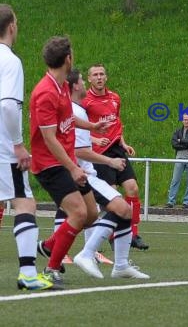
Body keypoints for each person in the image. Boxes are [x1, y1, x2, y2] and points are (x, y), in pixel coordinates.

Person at [30, 36, 106, 289]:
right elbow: (49, 139)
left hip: (67, 161)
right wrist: (73, 168)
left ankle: (50, 245)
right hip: (50, 165)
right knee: (79, 213)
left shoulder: (62, 85)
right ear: (67, 59)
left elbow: (68, 120)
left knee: (92, 214)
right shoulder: (45, 92)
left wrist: (92, 126)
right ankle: (51, 270)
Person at [68, 68, 149, 279]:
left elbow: (113, 125)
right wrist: (108, 159)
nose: (97, 79)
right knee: (109, 208)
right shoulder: (78, 109)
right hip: (86, 170)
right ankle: (86, 253)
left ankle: (119, 262)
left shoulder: (89, 107)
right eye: (91, 77)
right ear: (78, 85)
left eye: (102, 74)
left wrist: (117, 142)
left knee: (118, 206)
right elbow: (78, 148)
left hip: (96, 162)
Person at [0, 4, 53, 291]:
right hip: (3, 147)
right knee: (25, 203)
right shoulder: (10, 61)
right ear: (11, 27)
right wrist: (18, 146)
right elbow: (8, 105)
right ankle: (29, 274)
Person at [82, 63, 149, 250]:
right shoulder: (85, 101)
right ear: (89, 79)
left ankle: (133, 234)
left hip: (116, 150)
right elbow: (78, 128)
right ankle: (112, 235)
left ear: (106, 77)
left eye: (102, 74)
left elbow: (117, 123)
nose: (99, 77)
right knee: (112, 198)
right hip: (100, 155)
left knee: (133, 188)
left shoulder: (115, 98)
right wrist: (94, 139)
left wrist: (123, 143)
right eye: (95, 74)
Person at [166, 114, 188, 208]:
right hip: (179, 158)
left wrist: (180, 140)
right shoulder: (177, 131)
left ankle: (186, 203)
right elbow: (174, 144)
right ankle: (170, 202)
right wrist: (186, 143)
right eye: (185, 120)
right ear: (182, 121)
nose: (186, 121)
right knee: (175, 180)